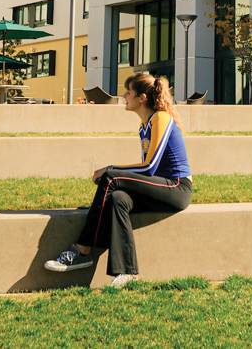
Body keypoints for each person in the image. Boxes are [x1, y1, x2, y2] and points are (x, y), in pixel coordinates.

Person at [43, 72, 192, 287]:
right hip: (159, 186)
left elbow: (149, 167)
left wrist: (109, 169)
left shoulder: (160, 118)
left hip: (176, 187)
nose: (124, 96)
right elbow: (148, 171)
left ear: (142, 98)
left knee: (111, 178)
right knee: (117, 199)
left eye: (128, 92)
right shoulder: (144, 126)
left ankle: (83, 250)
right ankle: (127, 272)